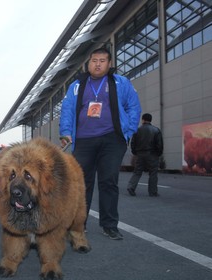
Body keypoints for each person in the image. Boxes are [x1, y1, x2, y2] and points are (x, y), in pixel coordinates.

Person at [59, 47, 141, 240]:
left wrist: (126, 133)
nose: (97, 64)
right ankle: (79, 225)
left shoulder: (121, 83)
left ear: (109, 63)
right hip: (84, 140)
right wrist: (65, 131)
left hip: (112, 139)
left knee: (108, 182)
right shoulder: (77, 85)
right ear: (89, 63)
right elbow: (67, 109)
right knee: (81, 183)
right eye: (94, 60)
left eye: (102, 60)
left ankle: (109, 225)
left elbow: (134, 107)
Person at [127, 113, 163, 197]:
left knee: (137, 172)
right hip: (152, 154)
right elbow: (159, 144)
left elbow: (133, 143)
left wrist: (135, 152)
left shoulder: (137, 130)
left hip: (140, 154)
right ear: (150, 120)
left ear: (142, 120)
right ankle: (153, 192)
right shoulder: (156, 130)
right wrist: (158, 154)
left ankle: (131, 187)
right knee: (153, 173)